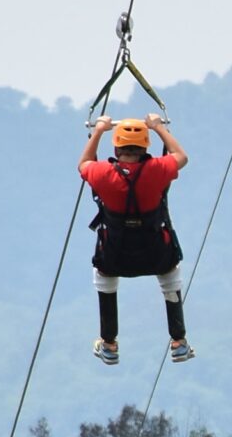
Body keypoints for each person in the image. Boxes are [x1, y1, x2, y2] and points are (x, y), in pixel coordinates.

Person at [78, 114, 193, 365]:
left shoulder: (103, 173)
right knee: (170, 271)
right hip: (155, 251)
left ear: (117, 147)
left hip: (115, 252)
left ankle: (108, 343)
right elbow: (181, 157)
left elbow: (84, 163)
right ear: (144, 147)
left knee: (103, 274)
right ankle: (179, 341)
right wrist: (159, 127)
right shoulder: (157, 170)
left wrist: (98, 131)